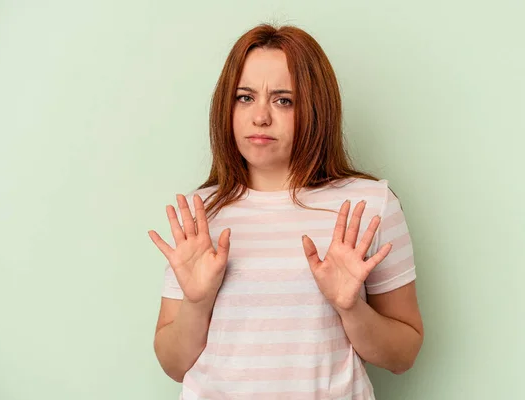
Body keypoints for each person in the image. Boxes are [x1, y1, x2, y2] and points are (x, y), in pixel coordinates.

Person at [148, 23, 424, 400]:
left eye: (283, 100)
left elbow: (403, 355)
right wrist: (197, 302)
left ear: (315, 107)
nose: (260, 116)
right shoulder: (203, 213)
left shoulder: (368, 206)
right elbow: (173, 364)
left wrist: (350, 309)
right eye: (245, 97)